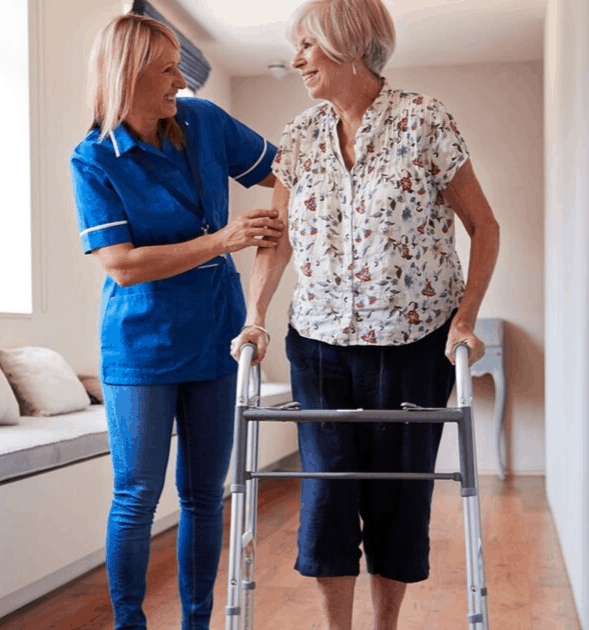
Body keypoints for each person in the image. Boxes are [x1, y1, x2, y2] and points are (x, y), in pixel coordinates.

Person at [230, 1, 500, 628]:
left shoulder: (425, 121)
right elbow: (278, 238)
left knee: (398, 501)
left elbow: (484, 226)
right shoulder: (300, 135)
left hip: (414, 345)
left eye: (306, 46)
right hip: (319, 347)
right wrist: (256, 315)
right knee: (326, 499)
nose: (296, 59)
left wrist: (466, 319)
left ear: (347, 43)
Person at [70, 13, 283, 630]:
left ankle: (197, 622)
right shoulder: (94, 159)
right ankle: (129, 625)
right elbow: (123, 265)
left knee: (201, 495)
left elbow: (291, 174)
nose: (179, 81)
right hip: (140, 349)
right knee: (137, 495)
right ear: (129, 75)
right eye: (167, 70)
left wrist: (274, 244)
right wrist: (223, 240)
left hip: (218, 336)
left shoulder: (206, 122)